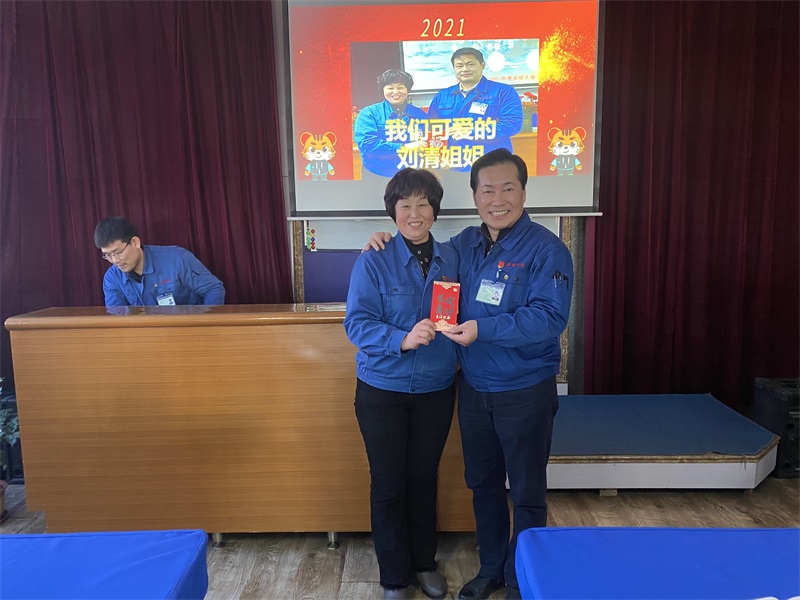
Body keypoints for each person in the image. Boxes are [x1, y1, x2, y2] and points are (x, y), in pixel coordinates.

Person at [365, 149, 573, 600]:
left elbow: (550, 317)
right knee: (483, 485)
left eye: (508, 188)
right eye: (487, 190)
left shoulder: (547, 249)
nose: (498, 199)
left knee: (527, 492)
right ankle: (492, 569)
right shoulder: (464, 245)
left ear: (523, 192)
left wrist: (483, 329)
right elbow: (418, 244)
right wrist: (384, 238)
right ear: (475, 196)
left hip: (523, 390)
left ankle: (521, 580)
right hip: (475, 390)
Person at [343, 168, 459, 600]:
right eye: (405, 205)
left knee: (424, 478)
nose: (414, 213)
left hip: (436, 389)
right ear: (392, 212)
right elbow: (356, 324)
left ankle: (424, 563)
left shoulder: (453, 258)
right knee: (388, 482)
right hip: (382, 390)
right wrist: (402, 339)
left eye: (423, 204)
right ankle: (394, 576)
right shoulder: (374, 259)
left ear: (435, 210)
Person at [94, 216, 225, 307]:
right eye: (108, 255)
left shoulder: (177, 259)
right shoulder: (112, 278)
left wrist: (205, 327)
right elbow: (117, 318)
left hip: (188, 330)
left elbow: (213, 289)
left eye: (118, 252)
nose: (115, 260)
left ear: (135, 242)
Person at [427, 48, 523, 171]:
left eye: (470, 64)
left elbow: (512, 124)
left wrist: (471, 132)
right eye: (459, 66)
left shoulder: (503, 92)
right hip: (452, 165)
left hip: (492, 164)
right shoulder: (442, 95)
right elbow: (431, 129)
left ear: (482, 65)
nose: (465, 69)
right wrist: (438, 156)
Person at [354, 69, 428, 178]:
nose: (395, 92)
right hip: (377, 174)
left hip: (411, 175)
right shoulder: (369, 113)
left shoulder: (420, 114)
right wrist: (404, 147)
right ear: (383, 89)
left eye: (400, 87)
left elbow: (429, 141)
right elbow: (367, 145)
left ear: (407, 90)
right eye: (390, 88)